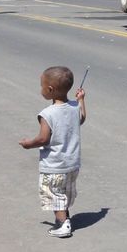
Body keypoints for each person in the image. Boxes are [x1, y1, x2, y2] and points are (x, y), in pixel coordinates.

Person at [19, 66, 87, 238]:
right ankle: (64, 217)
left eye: (42, 85)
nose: (41, 89)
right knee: (64, 192)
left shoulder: (47, 114)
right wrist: (81, 100)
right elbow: (82, 118)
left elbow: (43, 139)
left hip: (54, 165)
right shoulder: (74, 106)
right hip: (72, 164)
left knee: (54, 194)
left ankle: (63, 224)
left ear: (50, 90)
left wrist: (28, 144)